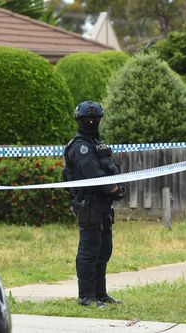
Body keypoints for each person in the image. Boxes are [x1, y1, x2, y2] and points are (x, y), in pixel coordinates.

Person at [63, 101, 128, 307]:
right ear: (79, 120)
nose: (91, 122)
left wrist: (118, 189)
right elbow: (93, 173)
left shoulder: (99, 144)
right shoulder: (80, 147)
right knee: (89, 252)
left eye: (95, 119)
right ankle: (86, 297)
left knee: (104, 250)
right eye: (86, 119)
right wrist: (113, 189)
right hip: (89, 204)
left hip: (103, 206)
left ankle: (101, 294)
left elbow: (113, 169)